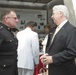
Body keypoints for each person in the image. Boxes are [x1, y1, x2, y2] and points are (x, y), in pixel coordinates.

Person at [40, 5, 76, 75]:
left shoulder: (71, 30)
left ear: (61, 14)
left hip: (64, 71)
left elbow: (72, 51)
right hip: (53, 70)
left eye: (53, 14)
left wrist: (53, 59)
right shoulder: (53, 30)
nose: (52, 16)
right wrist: (46, 58)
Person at [0, 9, 18, 75]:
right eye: (14, 18)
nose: (17, 20)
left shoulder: (9, 32)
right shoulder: (1, 32)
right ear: (6, 19)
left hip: (11, 69)